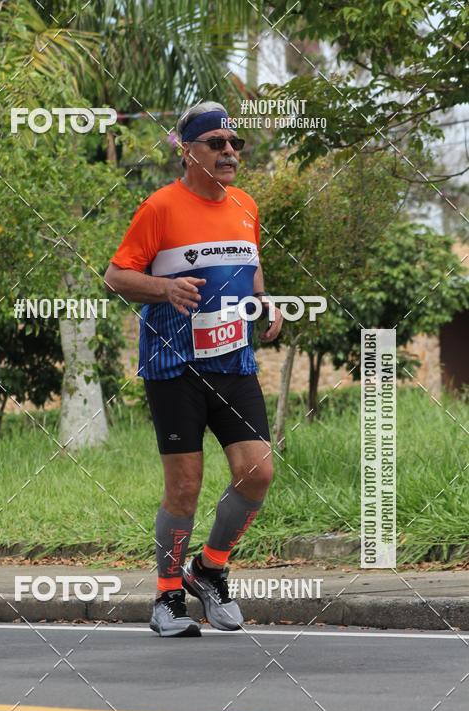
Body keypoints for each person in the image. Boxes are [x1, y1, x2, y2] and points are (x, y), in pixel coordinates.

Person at [104, 101, 283, 637]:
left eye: (235, 144)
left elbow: (251, 273)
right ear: (189, 152)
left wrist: (266, 305)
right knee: (185, 486)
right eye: (217, 144)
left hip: (233, 363)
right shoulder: (160, 207)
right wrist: (165, 287)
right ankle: (166, 598)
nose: (230, 152)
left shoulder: (246, 206)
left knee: (258, 473)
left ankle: (208, 568)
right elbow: (116, 277)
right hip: (173, 366)